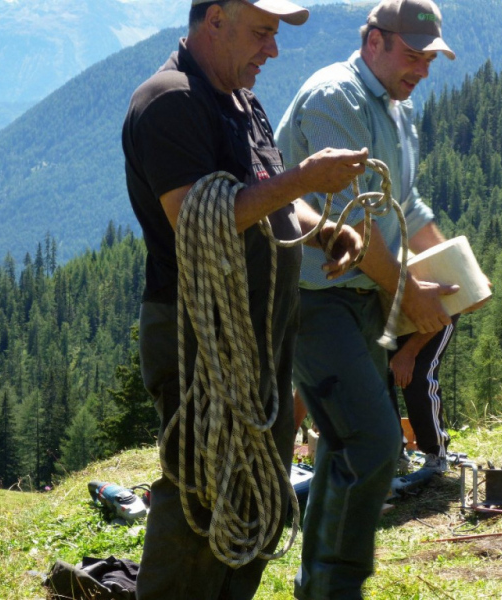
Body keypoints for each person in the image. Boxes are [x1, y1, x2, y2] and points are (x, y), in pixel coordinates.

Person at [121, 1, 368, 598]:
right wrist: (305, 177)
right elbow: (197, 220)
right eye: (262, 33)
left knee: (259, 475)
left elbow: (269, 198)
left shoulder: (242, 102)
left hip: (258, 331)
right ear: (215, 21)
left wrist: (327, 226)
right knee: (202, 482)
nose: (272, 50)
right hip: (197, 332)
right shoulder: (170, 101)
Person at [275, 0, 457, 597]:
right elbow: (355, 222)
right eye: (412, 56)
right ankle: (336, 588)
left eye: (429, 58)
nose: (422, 70)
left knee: (345, 443)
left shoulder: (396, 109)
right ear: (373, 41)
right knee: (376, 441)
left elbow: (407, 203)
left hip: (359, 301)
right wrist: (411, 291)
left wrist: (460, 270)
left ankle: (319, 585)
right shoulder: (339, 98)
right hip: (313, 295)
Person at [389, 314, 459, 474]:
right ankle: (393, 453)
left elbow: (444, 311)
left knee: (419, 375)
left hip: (441, 308)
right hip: (393, 312)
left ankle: (436, 454)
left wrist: (409, 352)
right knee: (378, 376)